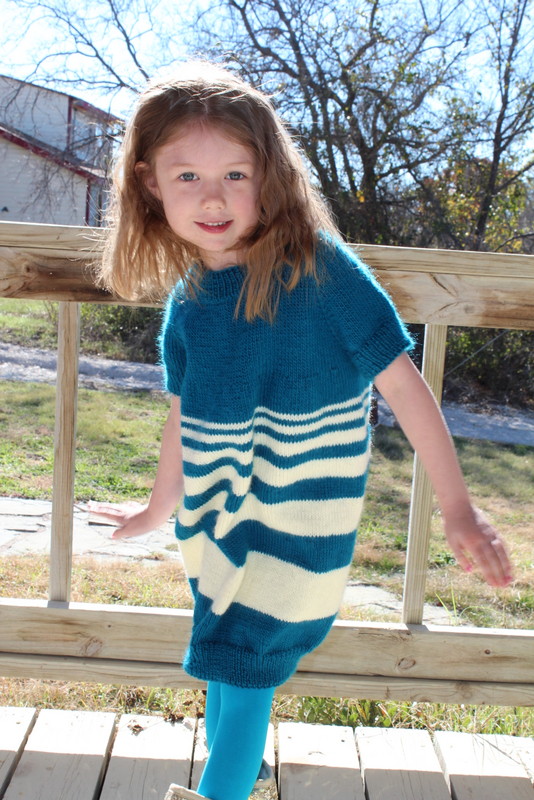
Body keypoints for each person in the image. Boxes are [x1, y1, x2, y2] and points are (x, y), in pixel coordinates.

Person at [88, 62, 513, 800]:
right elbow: (185, 413)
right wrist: (159, 508)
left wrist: (457, 509)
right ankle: (242, 770)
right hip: (218, 522)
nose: (213, 197)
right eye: (187, 176)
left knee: (246, 665)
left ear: (270, 177)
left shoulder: (322, 272)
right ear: (150, 184)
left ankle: (223, 787)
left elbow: (404, 386)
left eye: (235, 174)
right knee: (228, 658)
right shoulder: (190, 302)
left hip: (298, 525)